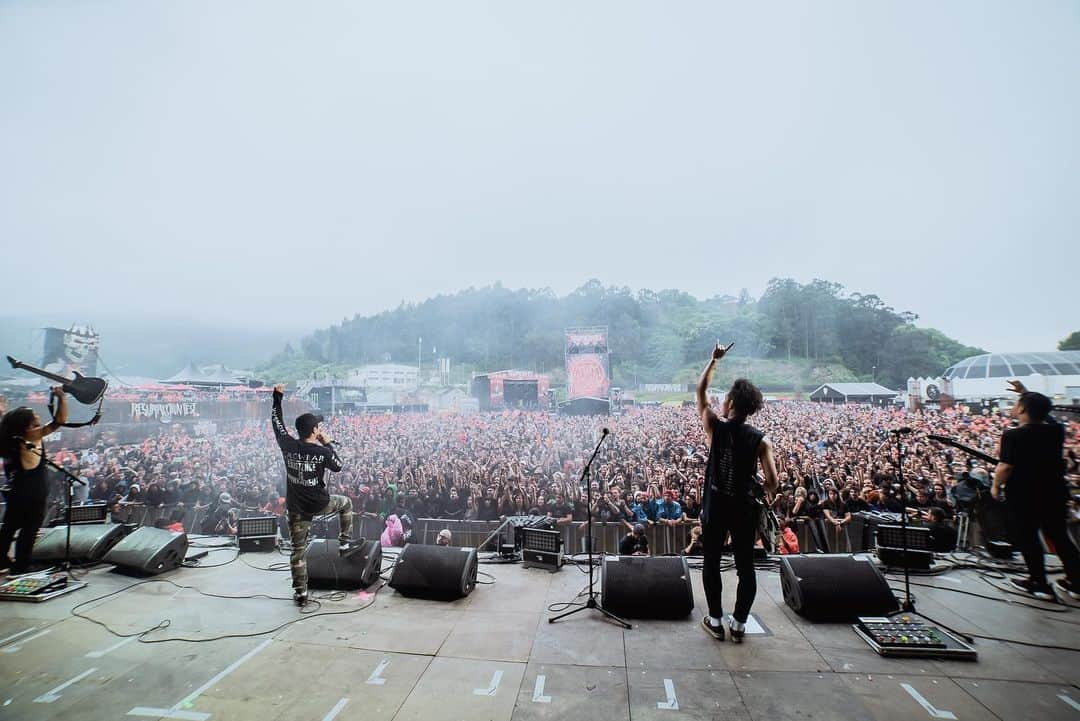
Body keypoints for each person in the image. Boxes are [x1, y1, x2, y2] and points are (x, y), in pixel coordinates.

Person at [696, 341, 778, 643]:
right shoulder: (761, 440)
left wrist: (713, 360)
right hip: (744, 508)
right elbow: (772, 483)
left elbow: (700, 392)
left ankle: (715, 619)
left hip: (716, 505)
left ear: (730, 403)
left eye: (726, 397)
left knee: (712, 562)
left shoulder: (715, 426)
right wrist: (753, 483)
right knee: (746, 567)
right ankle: (740, 624)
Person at [993, 381, 1080, 601]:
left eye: (1017, 402)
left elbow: (1006, 466)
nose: (1014, 406)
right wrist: (1025, 393)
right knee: (1060, 537)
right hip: (1054, 492)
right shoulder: (1055, 430)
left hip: (1024, 495)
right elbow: (1047, 416)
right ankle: (1077, 583)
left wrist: (995, 486)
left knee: (1029, 538)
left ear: (1022, 409)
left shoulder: (1013, 435)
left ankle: (1039, 583)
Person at [271, 384, 351, 607]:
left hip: (296, 509)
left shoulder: (287, 444)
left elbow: (277, 423)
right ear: (315, 430)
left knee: (297, 551)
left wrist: (277, 397)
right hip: (320, 504)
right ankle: (344, 543)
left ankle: (300, 592)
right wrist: (327, 443)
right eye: (318, 427)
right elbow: (338, 466)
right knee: (345, 504)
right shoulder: (322, 451)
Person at [0, 387, 67, 574]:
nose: (37, 415)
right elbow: (59, 421)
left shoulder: (7, 437)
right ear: (27, 424)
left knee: (9, 527)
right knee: (29, 529)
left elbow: (5, 423)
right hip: (32, 491)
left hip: (15, 489)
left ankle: (2, 560)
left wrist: (2, 411)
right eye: (33, 415)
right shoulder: (31, 436)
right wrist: (62, 397)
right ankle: (21, 565)